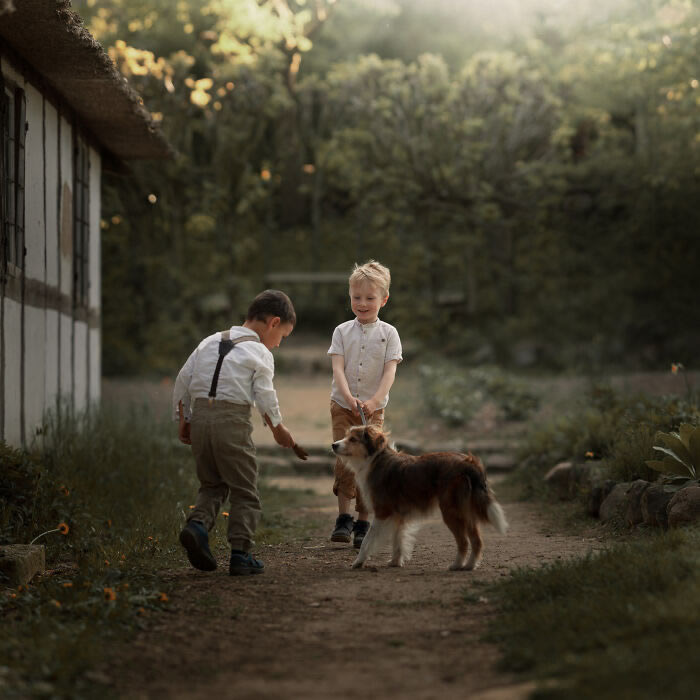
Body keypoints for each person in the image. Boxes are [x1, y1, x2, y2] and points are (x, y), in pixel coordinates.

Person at [173, 289, 298, 576]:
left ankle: (197, 526)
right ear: (273, 323)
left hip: (202, 419)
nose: (278, 345)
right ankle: (241, 553)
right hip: (232, 421)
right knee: (244, 489)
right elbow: (265, 395)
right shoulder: (260, 353)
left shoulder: (208, 341)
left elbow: (183, 379)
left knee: (212, 484)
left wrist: (185, 418)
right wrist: (278, 428)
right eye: (283, 337)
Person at [328, 260, 402, 548]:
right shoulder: (342, 331)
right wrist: (347, 396)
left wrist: (373, 401)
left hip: (373, 409)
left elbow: (390, 371)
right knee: (345, 458)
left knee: (369, 464)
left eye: (370, 298)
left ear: (383, 299)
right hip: (343, 406)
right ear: (349, 297)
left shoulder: (390, 334)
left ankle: (363, 522)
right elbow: (337, 368)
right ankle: (343, 519)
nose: (362, 303)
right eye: (356, 297)